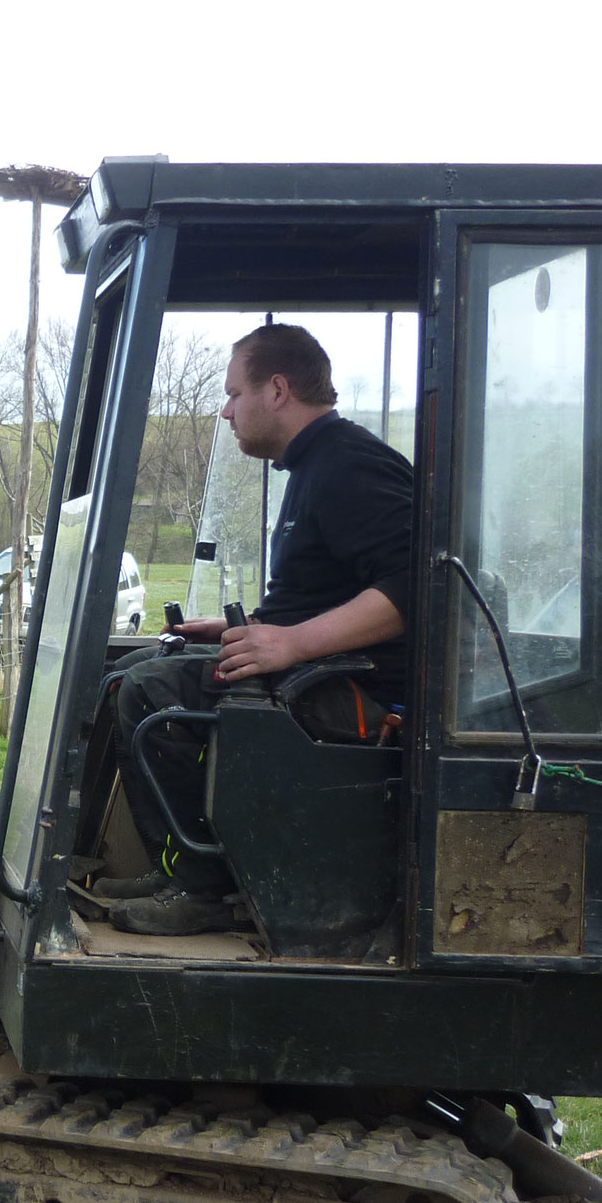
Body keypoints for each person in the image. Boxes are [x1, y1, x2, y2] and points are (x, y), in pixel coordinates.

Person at [102, 323, 414, 937]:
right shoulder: (315, 464)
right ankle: (178, 869)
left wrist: (291, 643)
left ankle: (203, 888)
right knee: (127, 673)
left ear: (276, 389)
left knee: (149, 694)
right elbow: (331, 594)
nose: (225, 411)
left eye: (232, 394)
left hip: (357, 694)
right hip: (318, 669)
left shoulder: (350, 466)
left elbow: (412, 590)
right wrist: (248, 626)